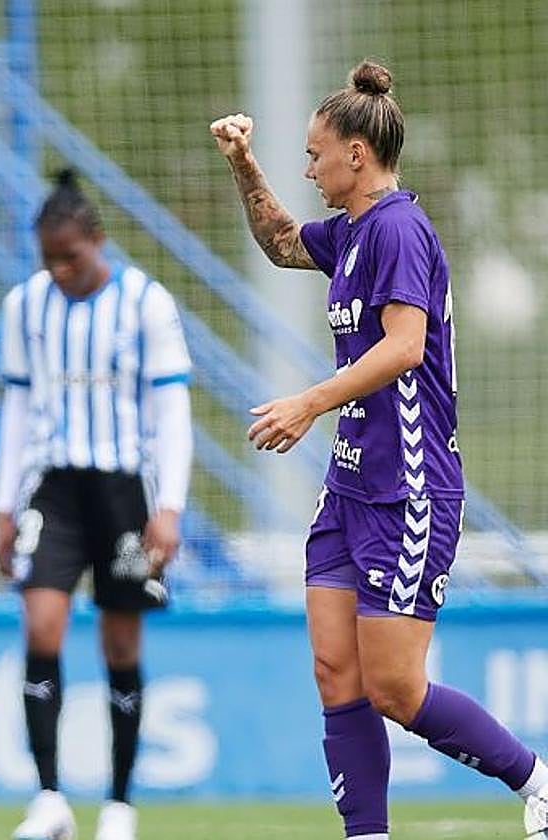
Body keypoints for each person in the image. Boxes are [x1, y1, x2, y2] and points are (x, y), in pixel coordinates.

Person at [211, 60, 548, 839]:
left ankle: (536, 780)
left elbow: (403, 347)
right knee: (336, 671)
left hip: (411, 486)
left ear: (356, 153)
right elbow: (283, 243)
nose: (309, 167)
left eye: (314, 153)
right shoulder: (355, 232)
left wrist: (307, 400)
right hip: (352, 485)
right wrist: (242, 162)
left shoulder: (397, 228)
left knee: (396, 687)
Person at [0, 169, 193, 840]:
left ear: (97, 241)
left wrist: (169, 505)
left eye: (69, 257)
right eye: (47, 258)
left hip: (124, 495)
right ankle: (49, 800)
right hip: (54, 488)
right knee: (42, 624)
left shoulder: (146, 304)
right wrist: (4, 504)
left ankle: (119, 805)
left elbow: (172, 409)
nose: (59, 269)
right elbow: (19, 405)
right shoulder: (25, 306)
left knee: (119, 640)